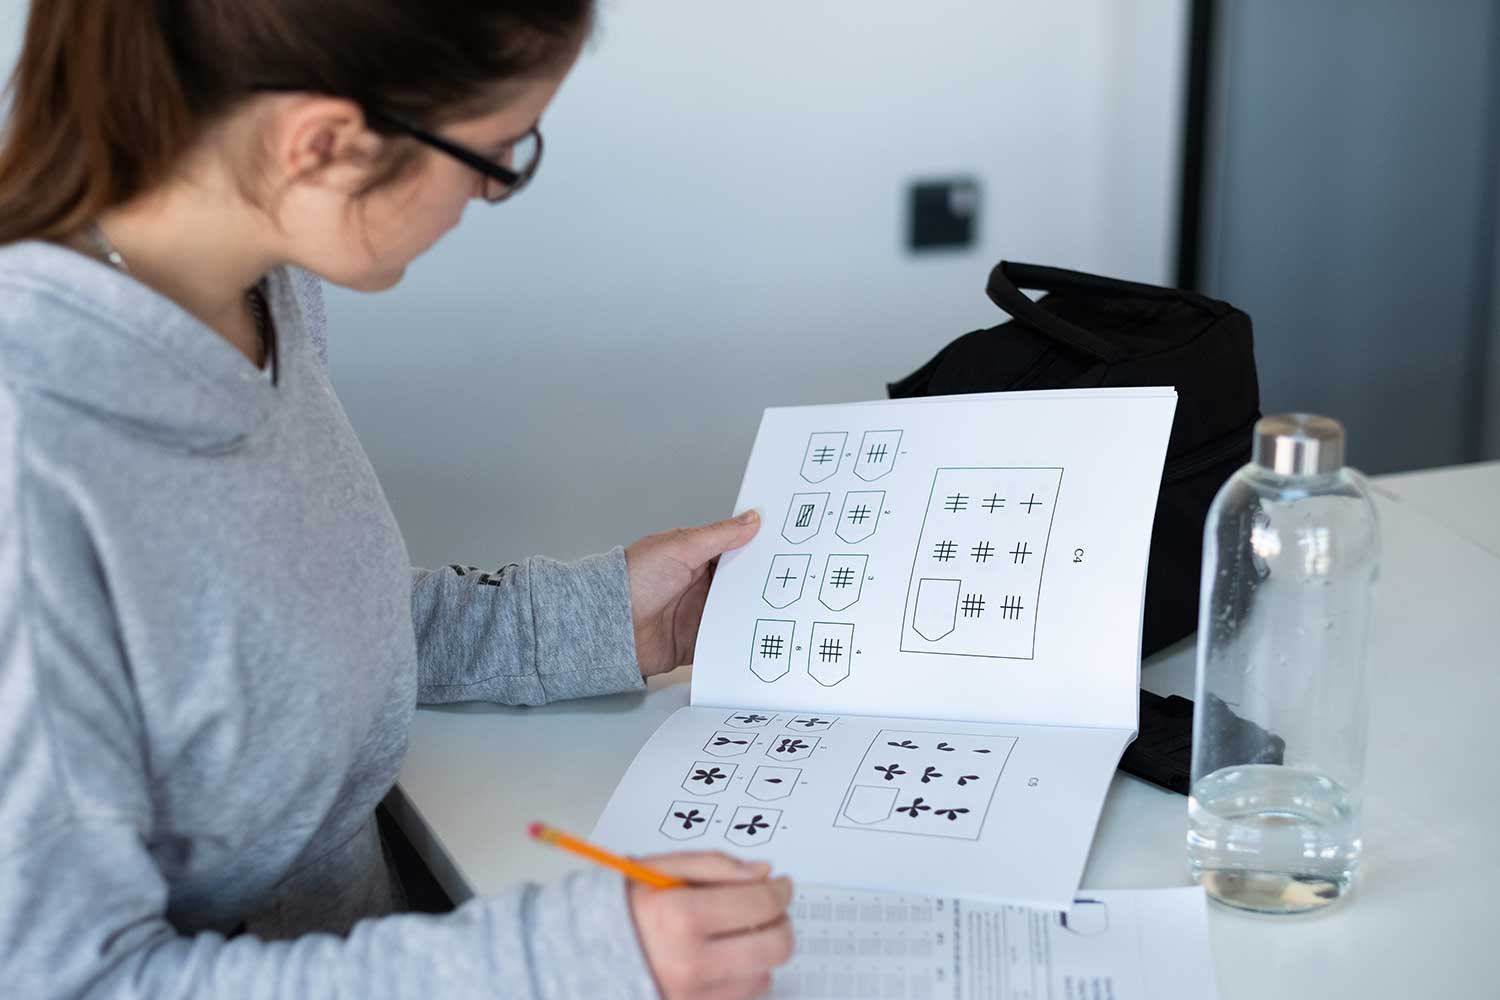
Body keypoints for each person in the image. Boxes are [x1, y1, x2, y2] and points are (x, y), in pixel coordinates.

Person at [0, 2, 795, 997]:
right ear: (325, 144)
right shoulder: (33, 463)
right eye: (498, 153)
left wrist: (598, 619)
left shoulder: (261, 293)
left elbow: (284, 630)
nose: (491, 189)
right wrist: (565, 963)